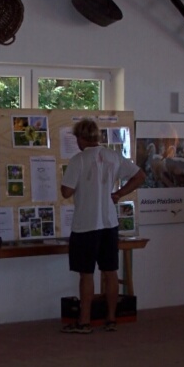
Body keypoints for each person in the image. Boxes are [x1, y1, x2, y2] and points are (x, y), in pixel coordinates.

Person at [60, 118, 145, 333]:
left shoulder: (78, 160)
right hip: (109, 223)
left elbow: (66, 192)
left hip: (86, 224)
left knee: (86, 274)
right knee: (110, 271)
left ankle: (84, 321)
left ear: (81, 138)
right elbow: (139, 176)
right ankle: (111, 319)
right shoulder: (113, 156)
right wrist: (118, 194)